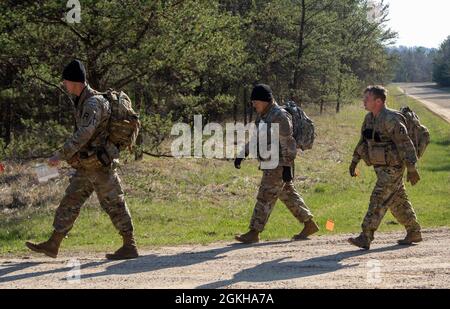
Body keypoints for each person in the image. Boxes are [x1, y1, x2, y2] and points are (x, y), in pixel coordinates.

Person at [26, 60, 138, 260]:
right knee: (71, 201)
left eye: (66, 81)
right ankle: (53, 243)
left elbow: (85, 133)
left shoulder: (93, 103)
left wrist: (60, 155)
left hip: (100, 165)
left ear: (75, 82)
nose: (64, 85)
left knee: (114, 203)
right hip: (87, 165)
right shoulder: (83, 100)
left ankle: (130, 245)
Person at [234, 84, 319, 244]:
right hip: (270, 161)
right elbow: (257, 138)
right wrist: (243, 153)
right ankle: (309, 224)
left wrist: (287, 167)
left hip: (279, 163)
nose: (253, 104)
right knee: (287, 194)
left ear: (264, 100)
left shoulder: (279, 116)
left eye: (255, 101)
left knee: (265, 195)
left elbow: (289, 143)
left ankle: (254, 232)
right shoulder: (263, 115)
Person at [348, 85, 422, 250]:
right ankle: (414, 231)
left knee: (378, 198)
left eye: (367, 98)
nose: (364, 101)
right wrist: (354, 161)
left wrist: (411, 168)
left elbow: (405, 144)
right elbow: (363, 142)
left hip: (394, 167)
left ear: (378, 101)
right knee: (397, 202)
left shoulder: (391, 119)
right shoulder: (369, 119)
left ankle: (365, 236)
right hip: (380, 168)